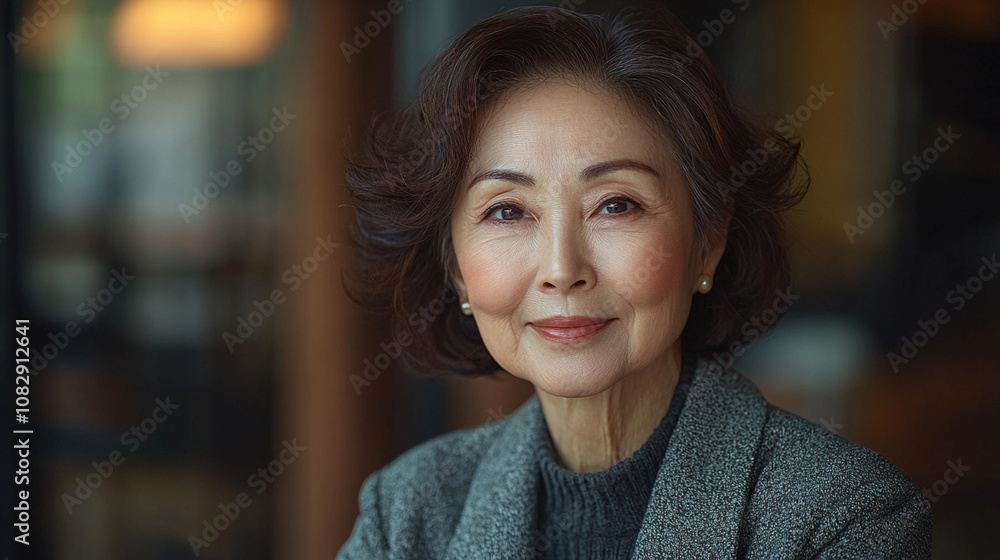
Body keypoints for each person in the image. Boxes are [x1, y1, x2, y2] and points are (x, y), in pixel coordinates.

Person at [338, 5, 932, 559]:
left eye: (616, 205)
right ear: (455, 268)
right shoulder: (407, 514)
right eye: (507, 211)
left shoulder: (844, 516)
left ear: (708, 241)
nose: (562, 268)